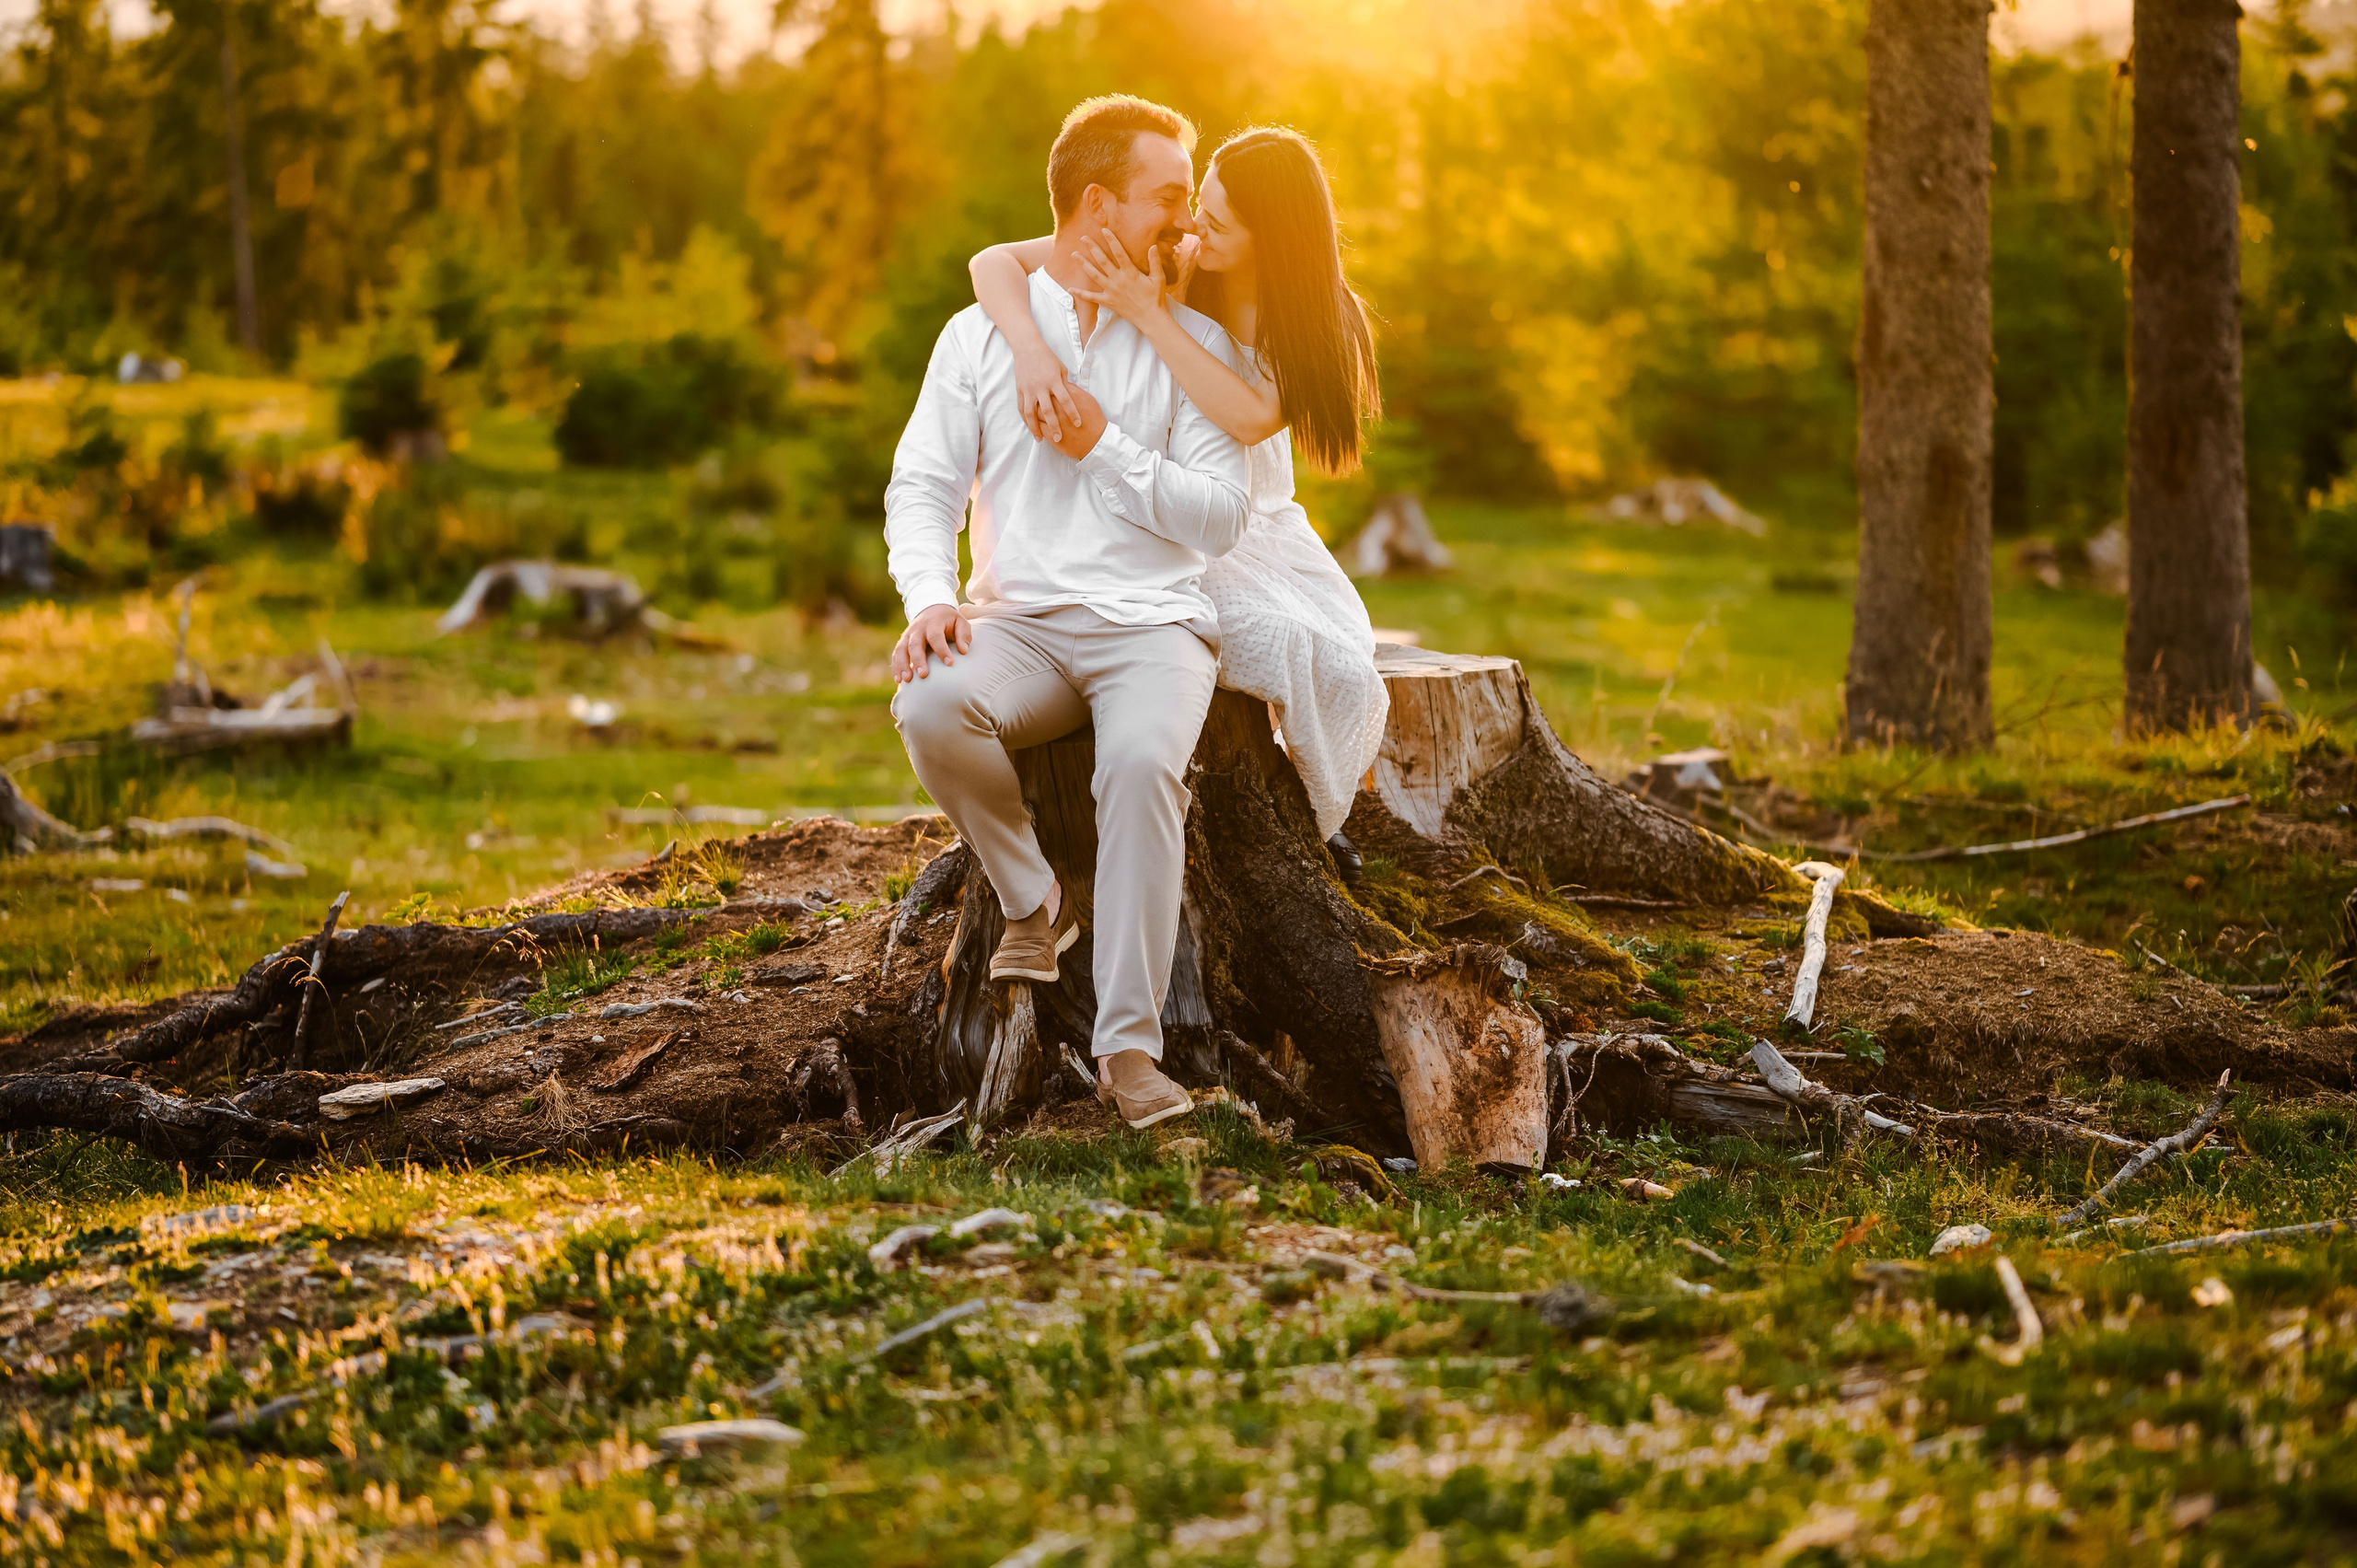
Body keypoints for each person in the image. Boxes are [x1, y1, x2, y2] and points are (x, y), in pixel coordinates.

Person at [886, 94, 1254, 1131]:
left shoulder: (1191, 341)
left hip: (1153, 627)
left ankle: (1129, 1052)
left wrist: (1107, 447)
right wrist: (930, 596)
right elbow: (921, 485)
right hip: (1021, 626)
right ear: (1097, 205)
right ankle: (1035, 898)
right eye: (1167, 200)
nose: (1184, 226)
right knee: (927, 706)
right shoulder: (980, 337)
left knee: (1140, 768)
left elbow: (1220, 516)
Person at [969, 124, 1387, 864]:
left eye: (1219, 220)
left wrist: (1150, 313)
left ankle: (1309, 806)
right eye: (1199, 203)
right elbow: (995, 262)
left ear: (1275, 237)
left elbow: (1251, 416)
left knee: (1338, 656)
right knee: (1229, 627)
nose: (1193, 224)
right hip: (1168, 501)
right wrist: (1030, 348)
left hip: (1256, 522)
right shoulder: (1176, 260)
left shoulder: (1318, 319)